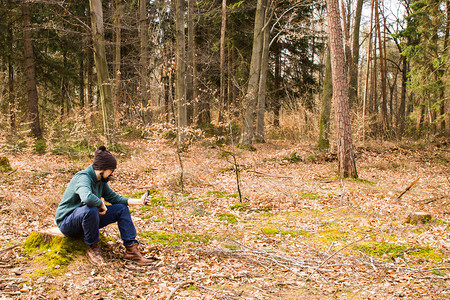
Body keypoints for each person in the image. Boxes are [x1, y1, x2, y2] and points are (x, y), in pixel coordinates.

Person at [55, 145, 154, 265]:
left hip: (87, 220)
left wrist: (139, 201)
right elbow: (86, 198)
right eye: (111, 170)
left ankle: (131, 251)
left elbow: (114, 198)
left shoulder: (100, 181)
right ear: (103, 169)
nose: (112, 173)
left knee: (121, 209)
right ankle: (93, 247)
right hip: (68, 223)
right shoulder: (82, 178)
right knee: (90, 209)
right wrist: (100, 203)